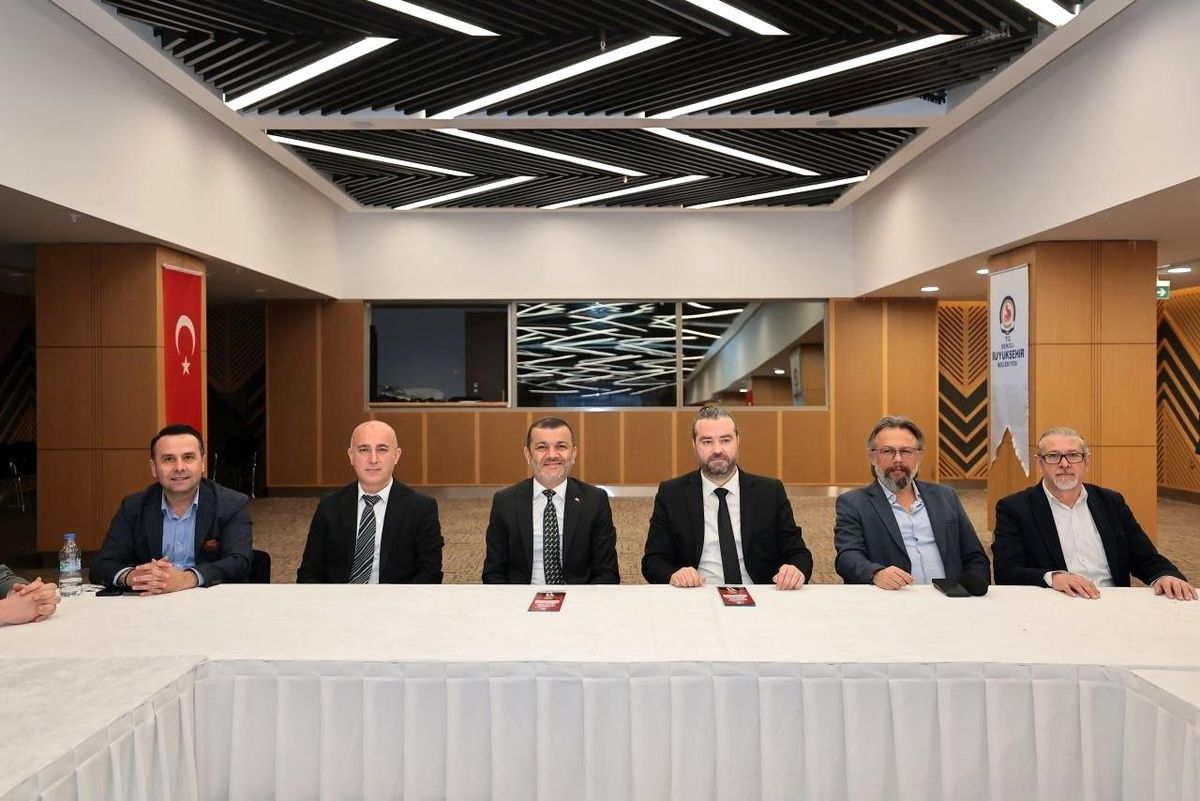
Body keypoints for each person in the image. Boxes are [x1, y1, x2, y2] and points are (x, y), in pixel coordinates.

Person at [993, 426, 1196, 600]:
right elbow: (1006, 572)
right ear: (1040, 463)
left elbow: (1144, 556)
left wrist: (1165, 575)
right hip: (1056, 602)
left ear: (1086, 461)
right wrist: (1053, 577)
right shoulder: (1015, 508)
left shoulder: (1111, 502)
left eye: (1073, 455)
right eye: (1053, 456)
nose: (1064, 464)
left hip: (1110, 602)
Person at [642, 406, 812, 589]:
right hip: (696, 593)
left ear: (738, 441)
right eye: (707, 441)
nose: (717, 450)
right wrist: (674, 574)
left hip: (759, 594)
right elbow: (653, 561)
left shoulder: (770, 492)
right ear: (694, 445)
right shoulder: (671, 494)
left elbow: (798, 553)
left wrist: (794, 569)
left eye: (725, 440)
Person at [92, 424, 252, 593]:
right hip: (152, 600)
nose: (179, 467)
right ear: (154, 468)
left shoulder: (232, 503)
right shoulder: (134, 506)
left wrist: (188, 578)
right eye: (168, 459)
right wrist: (133, 576)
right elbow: (102, 564)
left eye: (188, 457)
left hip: (209, 599)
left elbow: (240, 561)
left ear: (203, 464)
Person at [834, 416, 989, 589]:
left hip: (950, 597)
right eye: (888, 451)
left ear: (919, 456)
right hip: (894, 598)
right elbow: (848, 557)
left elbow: (974, 555)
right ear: (872, 457)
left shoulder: (946, 496)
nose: (898, 459)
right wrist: (876, 574)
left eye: (906, 451)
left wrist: (971, 589)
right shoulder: (854, 503)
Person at [298, 420, 443, 583]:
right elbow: (309, 573)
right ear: (351, 456)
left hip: (396, 598)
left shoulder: (421, 508)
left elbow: (430, 574)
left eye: (382, 449)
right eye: (364, 450)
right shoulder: (329, 506)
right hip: (339, 597)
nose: (373, 459)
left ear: (396, 456)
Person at [482, 417, 619, 584]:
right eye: (542, 447)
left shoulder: (595, 501)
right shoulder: (505, 501)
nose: (552, 455)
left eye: (561, 446)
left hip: (578, 596)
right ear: (528, 455)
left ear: (573, 454)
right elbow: (494, 573)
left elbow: (607, 573)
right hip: (521, 596)